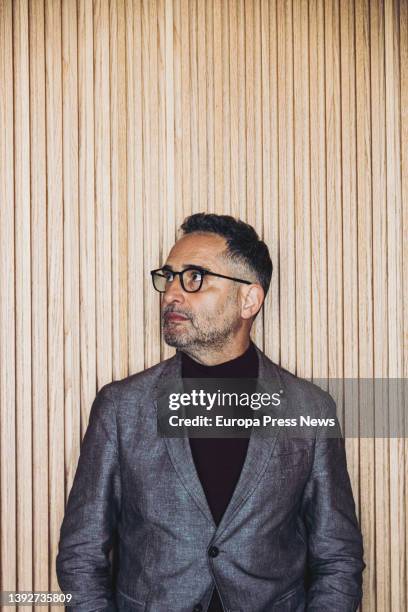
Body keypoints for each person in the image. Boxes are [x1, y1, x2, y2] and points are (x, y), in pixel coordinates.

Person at [56, 213, 365, 611]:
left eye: (195, 278)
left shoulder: (310, 408)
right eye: (168, 277)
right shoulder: (121, 407)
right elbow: (82, 553)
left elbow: (337, 557)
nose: (171, 294)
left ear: (249, 300)